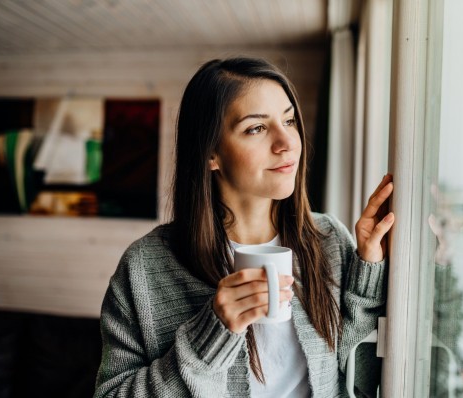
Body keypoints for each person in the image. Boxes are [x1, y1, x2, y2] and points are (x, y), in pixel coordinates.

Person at [94, 57, 395, 397]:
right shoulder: (144, 267)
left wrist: (368, 269)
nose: (287, 143)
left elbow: (364, 381)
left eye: (289, 120)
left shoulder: (329, 240)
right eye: (257, 128)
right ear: (211, 153)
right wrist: (212, 333)